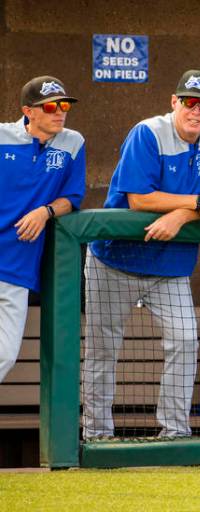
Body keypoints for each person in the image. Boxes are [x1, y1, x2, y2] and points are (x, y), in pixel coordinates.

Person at [83, 70, 200, 440]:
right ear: (174, 102)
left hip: (170, 264)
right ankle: (96, 434)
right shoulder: (147, 132)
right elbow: (139, 198)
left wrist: (184, 214)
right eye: (189, 102)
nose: (196, 111)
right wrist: (197, 203)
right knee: (103, 350)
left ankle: (174, 432)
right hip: (115, 259)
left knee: (184, 340)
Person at [0, 76, 85, 383]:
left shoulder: (73, 142)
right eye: (50, 106)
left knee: (5, 355)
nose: (59, 112)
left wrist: (45, 211)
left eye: (63, 105)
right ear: (28, 111)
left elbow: (73, 198)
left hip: (16, 268)